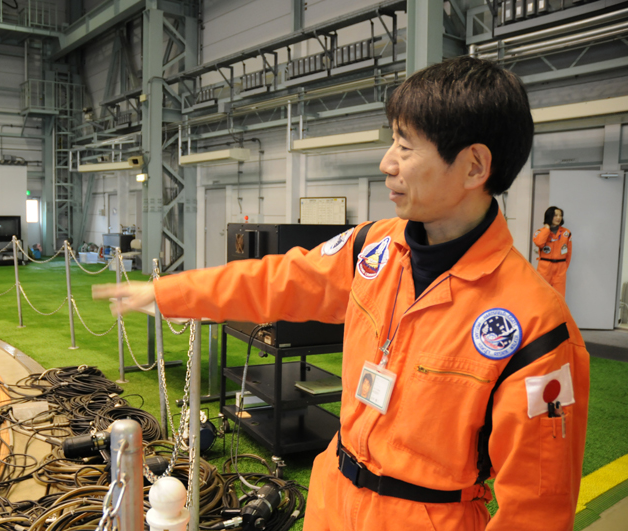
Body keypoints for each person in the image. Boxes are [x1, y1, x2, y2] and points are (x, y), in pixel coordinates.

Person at [92, 57, 589, 531]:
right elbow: (275, 280)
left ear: (475, 167)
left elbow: (537, 511)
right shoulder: (371, 247)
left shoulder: (536, 329)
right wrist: (166, 292)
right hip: (333, 497)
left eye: (405, 146)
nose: (386, 162)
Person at [534, 206, 572, 297]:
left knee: (559, 296)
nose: (559, 218)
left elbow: (569, 252)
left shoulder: (566, 233)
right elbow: (539, 243)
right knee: (543, 295)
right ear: (549, 216)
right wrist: (547, 229)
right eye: (555, 215)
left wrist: (563, 267)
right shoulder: (540, 232)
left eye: (560, 215)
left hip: (560, 268)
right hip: (545, 268)